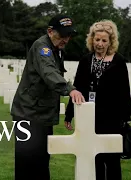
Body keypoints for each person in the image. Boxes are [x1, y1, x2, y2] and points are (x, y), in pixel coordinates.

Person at [10, 14, 85, 180]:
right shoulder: (42, 47)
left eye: (69, 35)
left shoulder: (56, 49)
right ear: (50, 31)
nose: (66, 39)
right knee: (27, 163)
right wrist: (69, 89)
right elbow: (48, 72)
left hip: (41, 113)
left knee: (42, 160)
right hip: (29, 114)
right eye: (63, 35)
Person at [64, 19, 131, 180]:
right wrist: (69, 114)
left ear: (111, 42)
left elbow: (124, 91)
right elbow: (77, 88)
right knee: (95, 159)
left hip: (113, 118)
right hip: (90, 117)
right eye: (97, 39)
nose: (100, 44)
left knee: (112, 160)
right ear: (91, 40)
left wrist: (125, 118)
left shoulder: (119, 61)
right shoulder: (86, 60)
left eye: (104, 40)